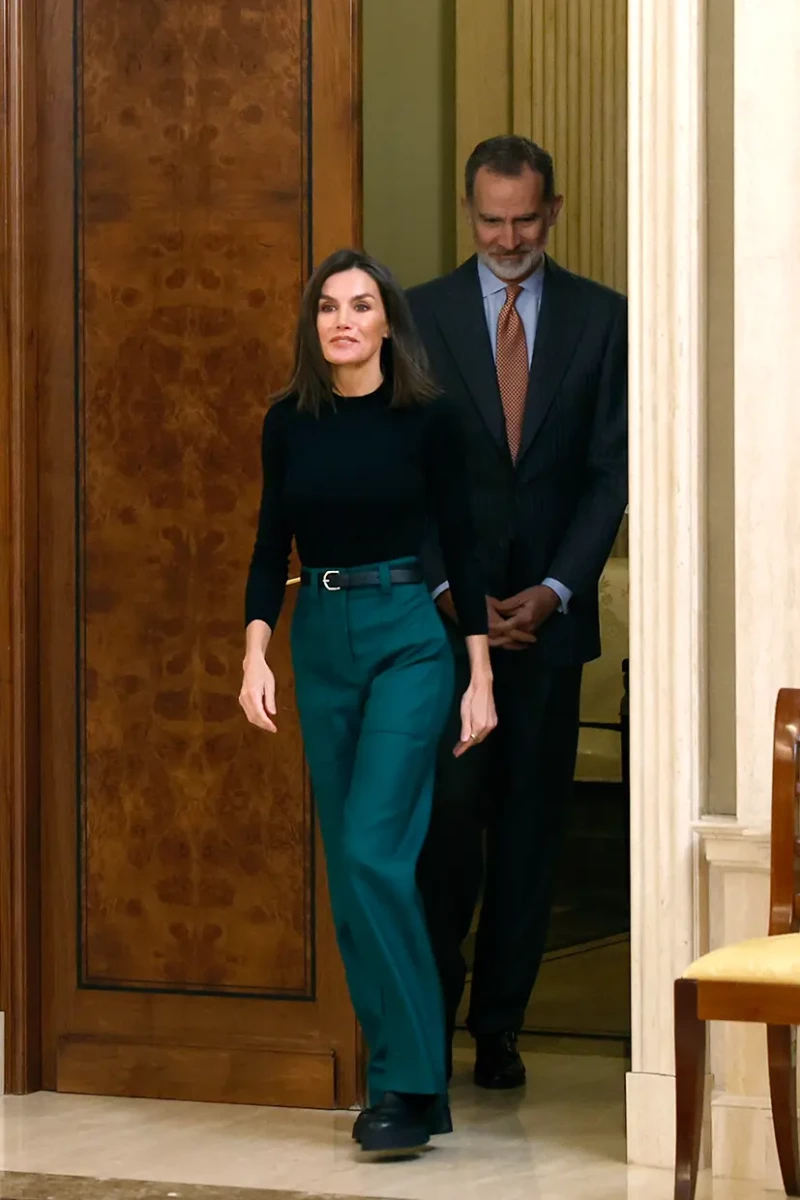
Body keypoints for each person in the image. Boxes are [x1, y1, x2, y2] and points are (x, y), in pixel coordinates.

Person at [239, 248, 496, 1156]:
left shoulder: (429, 420)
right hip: (322, 635)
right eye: (327, 308)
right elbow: (273, 544)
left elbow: (463, 547)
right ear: (313, 326)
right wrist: (255, 653)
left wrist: (481, 673)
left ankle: (403, 1084)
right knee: (353, 881)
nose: (343, 320)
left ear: (388, 321)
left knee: (373, 852)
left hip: (408, 641)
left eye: (360, 305)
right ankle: (415, 1081)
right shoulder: (288, 423)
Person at [409, 136, 628, 1089]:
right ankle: (432, 1019)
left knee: (533, 836)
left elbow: (611, 469)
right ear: (470, 213)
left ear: (556, 209)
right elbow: (407, 472)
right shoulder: (416, 317)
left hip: (551, 619)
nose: (509, 238)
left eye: (526, 219)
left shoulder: (603, 319)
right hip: (446, 628)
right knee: (448, 829)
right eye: (492, 220)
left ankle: (501, 1027)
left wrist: (558, 588)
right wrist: (452, 592)